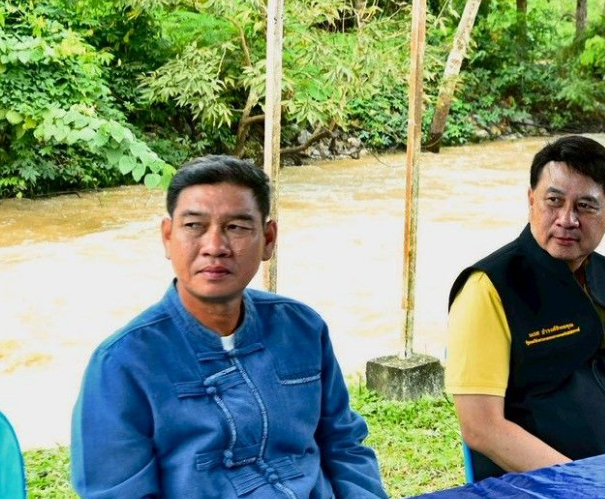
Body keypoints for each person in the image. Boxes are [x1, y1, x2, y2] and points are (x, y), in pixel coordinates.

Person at [70, 155, 387, 499]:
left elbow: (343, 444)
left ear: (268, 239)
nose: (215, 247)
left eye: (236, 227)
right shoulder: (123, 363)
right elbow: (117, 492)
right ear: (167, 237)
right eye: (194, 226)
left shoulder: (301, 328)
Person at [446, 135, 605, 481]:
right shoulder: (489, 287)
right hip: (542, 486)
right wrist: (585, 484)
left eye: (585, 206)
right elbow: (482, 427)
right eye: (554, 201)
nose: (566, 219)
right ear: (530, 201)